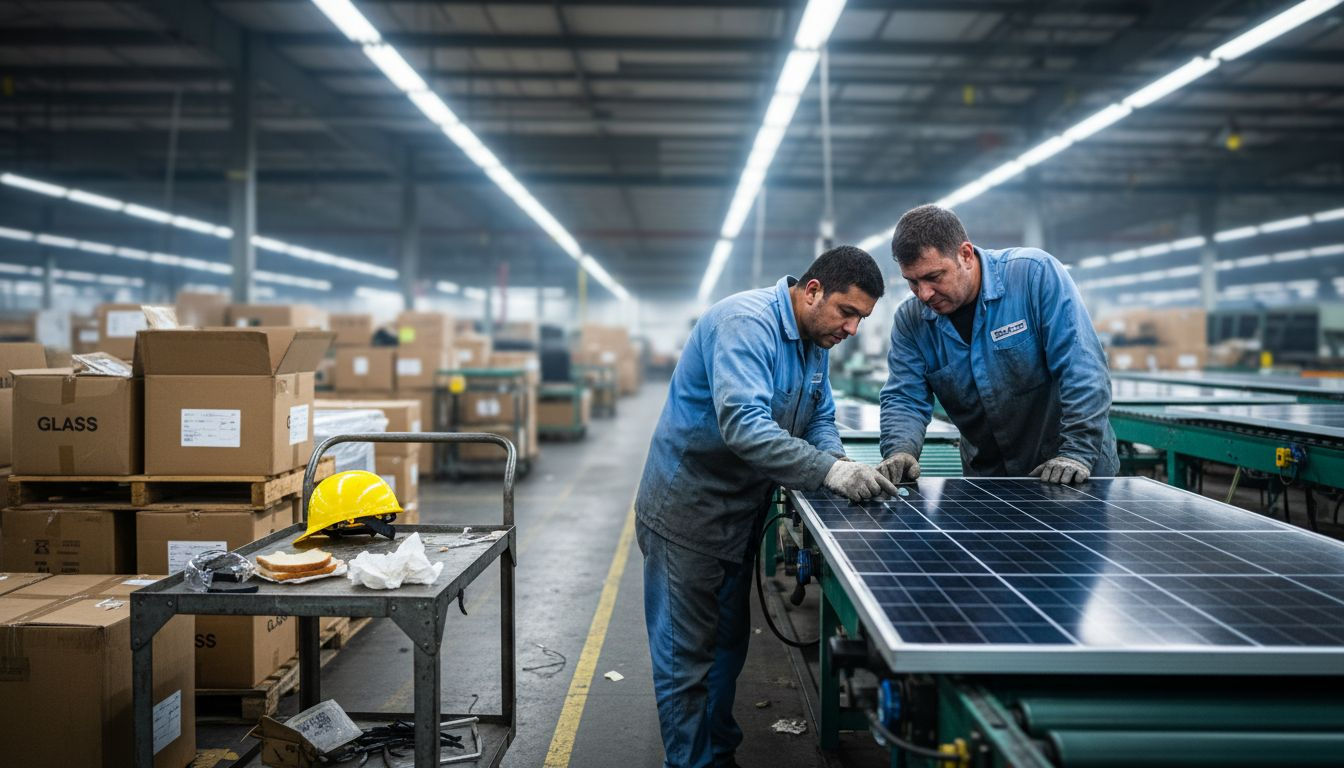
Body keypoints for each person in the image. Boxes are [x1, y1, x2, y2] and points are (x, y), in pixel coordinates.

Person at [635, 245, 897, 767]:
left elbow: (819, 414)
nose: (851, 330)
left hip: (740, 515)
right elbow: (744, 426)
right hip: (688, 512)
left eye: (861, 320)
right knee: (686, 657)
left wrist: (840, 459)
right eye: (847, 312)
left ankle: (719, 750)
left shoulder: (815, 339)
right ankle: (690, 762)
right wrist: (831, 473)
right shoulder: (744, 324)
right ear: (813, 290)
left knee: (728, 647)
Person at [877, 204, 1118, 485]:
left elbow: (1082, 367)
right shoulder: (911, 321)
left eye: (933, 277)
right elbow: (905, 397)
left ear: (965, 255)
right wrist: (900, 451)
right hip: (989, 479)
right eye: (912, 282)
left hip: (1070, 470)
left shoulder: (1034, 276)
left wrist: (1077, 452)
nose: (924, 294)